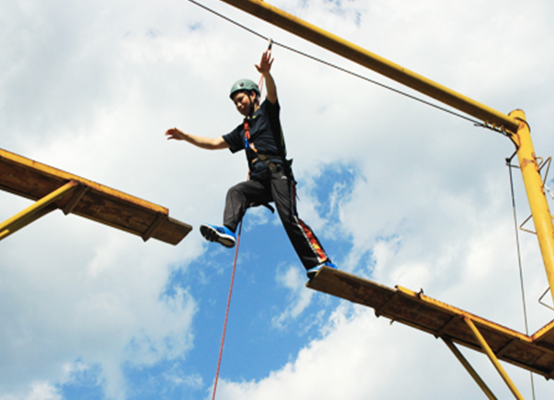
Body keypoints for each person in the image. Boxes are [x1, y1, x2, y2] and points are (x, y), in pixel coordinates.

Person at [165, 49, 336, 279]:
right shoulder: (242, 131)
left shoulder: (267, 112)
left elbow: (273, 93)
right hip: (259, 182)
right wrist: (186, 137)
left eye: (241, 99)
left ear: (254, 96)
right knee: (236, 191)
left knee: (289, 219)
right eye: (235, 103)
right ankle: (228, 230)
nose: (238, 105)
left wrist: (266, 74)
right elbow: (214, 143)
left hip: (278, 174)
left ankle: (320, 263)